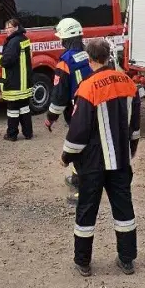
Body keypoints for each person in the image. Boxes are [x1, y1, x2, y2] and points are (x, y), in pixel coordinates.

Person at [62, 39, 141, 276]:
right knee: (124, 209)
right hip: (120, 161)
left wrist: (67, 155)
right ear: (108, 57)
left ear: (89, 59)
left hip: (93, 163)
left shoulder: (88, 87)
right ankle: (127, 260)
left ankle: (83, 262)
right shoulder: (129, 83)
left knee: (86, 209)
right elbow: (134, 125)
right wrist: (131, 149)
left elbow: (79, 129)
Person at [45, 18, 93, 201]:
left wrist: (51, 117)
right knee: (85, 145)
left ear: (64, 38)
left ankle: (84, 190)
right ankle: (76, 177)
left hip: (78, 111)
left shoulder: (65, 61)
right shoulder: (91, 53)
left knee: (81, 147)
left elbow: (59, 96)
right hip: (95, 107)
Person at [0, 17, 34, 141]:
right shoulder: (24, 39)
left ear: (16, 27)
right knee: (24, 109)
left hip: (14, 83)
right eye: (6, 27)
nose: (7, 29)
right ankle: (28, 133)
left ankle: (11, 134)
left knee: (12, 110)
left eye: (10, 27)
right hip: (24, 83)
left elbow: (6, 61)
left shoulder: (13, 42)